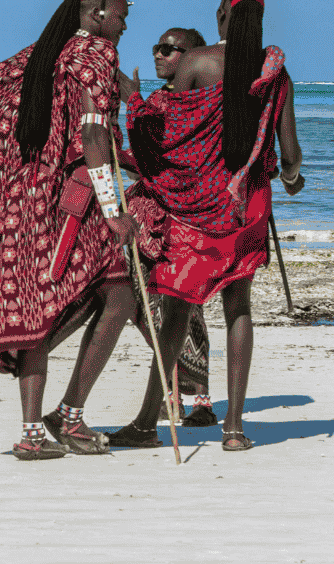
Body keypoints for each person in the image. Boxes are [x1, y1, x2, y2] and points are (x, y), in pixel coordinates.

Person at [110, 0, 303, 452]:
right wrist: (292, 179)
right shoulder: (277, 74)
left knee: (177, 306)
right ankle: (234, 429)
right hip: (250, 203)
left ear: (220, 17)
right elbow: (291, 157)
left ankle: (144, 423)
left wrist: (134, 101)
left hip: (198, 206)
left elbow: (165, 138)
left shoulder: (195, 64)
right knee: (239, 307)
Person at [0, 0, 141, 460]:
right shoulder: (97, 56)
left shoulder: (45, 52)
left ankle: (34, 432)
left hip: (33, 199)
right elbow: (96, 137)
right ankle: (68, 415)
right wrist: (114, 209)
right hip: (77, 203)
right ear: (96, 12)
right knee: (119, 295)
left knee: (40, 303)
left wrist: (19, 166)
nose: (125, 24)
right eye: (121, 14)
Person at [136, 26, 220, 428]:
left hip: (180, 212)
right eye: (158, 46)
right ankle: (180, 394)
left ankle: (194, 397)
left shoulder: (187, 103)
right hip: (167, 210)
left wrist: (130, 107)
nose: (159, 54)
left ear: (191, 58)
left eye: (170, 50)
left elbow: (162, 156)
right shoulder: (164, 99)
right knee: (162, 305)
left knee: (180, 305)